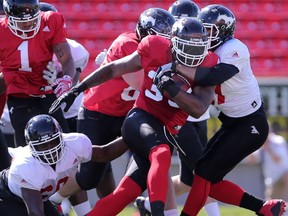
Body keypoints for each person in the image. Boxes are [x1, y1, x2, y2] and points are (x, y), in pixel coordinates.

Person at [49, 16, 222, 216]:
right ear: (173, 42)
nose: (194, 52)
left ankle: (261, 207)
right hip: (139, 119)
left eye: (198, 46)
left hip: (162, 127)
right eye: (188, 45)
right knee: (161, 153)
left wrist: (171, 87)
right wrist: (77, 89)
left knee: (126, 192)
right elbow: (115, 68)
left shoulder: (209, 63)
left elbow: (199, 108)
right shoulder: (155, 47)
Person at [174, 4, 286, 216]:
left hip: (251, 123)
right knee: (206, 176)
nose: (204, 36)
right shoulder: (208, 51)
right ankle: (264, 208)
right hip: (233, 123)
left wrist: (176, 66)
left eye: (208, 31)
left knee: (204, 173)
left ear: (223, 30)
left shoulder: (234, 48)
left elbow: (212, 77)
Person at [135, 1, 220, 215]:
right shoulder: (165, 50)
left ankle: (147, 204)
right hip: (178, 117)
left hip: (199, 115)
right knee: (204, 171)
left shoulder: (205, 50)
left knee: (188, 179)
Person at [0, 114, 127, 216]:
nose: (50, 149)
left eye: (53, 141)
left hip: (40, 198)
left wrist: (130, 135)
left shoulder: (74, 144)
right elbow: (35, 213)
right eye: (43, 145)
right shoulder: (26, 165)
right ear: (31, 147)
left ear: (61, 136)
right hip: (8, 198)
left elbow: (105, 153)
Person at [0, 0, 77, 147]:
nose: (29, 25)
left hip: (46, 91)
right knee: (26, 150)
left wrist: (66, 78)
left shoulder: (51, 21)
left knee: (63, 144)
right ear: (8, 17)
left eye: (32, 19)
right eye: (23, 22)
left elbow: (67, 60)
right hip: (18, 94)